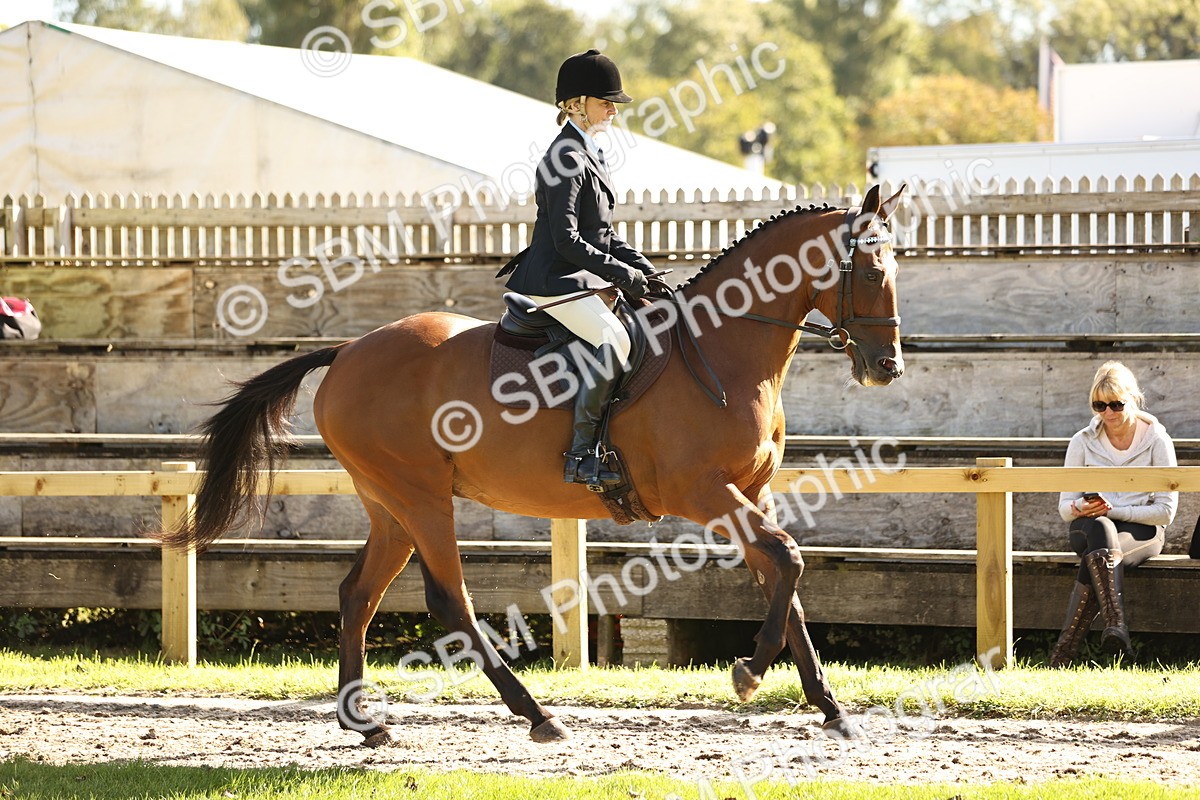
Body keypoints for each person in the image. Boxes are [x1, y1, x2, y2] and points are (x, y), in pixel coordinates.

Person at [497, 49, 656, 490]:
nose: (613, 111)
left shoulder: (591, 153)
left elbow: (602, 235)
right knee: (614, 338)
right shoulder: (563, 157)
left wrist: (644, 269)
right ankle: (582, 454)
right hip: (553, 279)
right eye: (606, 102)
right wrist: (619, 274)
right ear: (578, 103)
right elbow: (567, 240)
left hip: (580, 276)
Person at [1049, 361, 1178, 667]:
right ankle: (1116, 626)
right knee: (1100, 529)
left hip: (1141, 529)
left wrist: (1115, 510)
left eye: (1116, 405)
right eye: (1099, 405)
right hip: (1088, 526)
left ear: (1132, 399)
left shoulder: (1157, 439)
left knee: (1098, 555)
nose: (1108, 413)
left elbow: (1166, 512)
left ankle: (1063, 654)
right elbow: (1065, 507)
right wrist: (1084, 508)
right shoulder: (1082, 441)